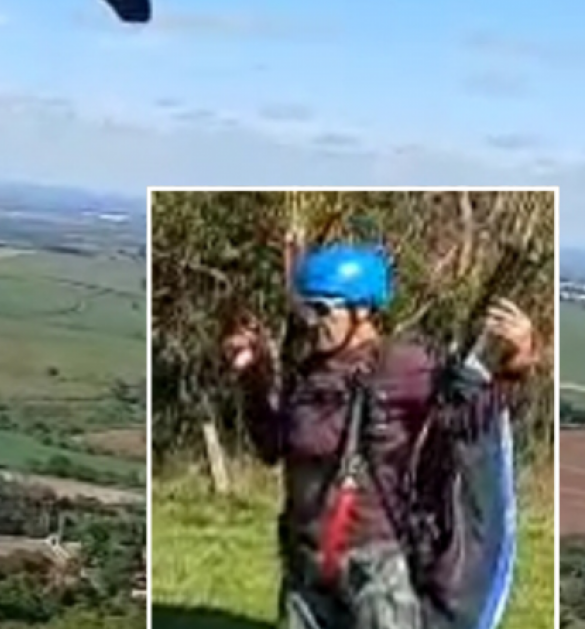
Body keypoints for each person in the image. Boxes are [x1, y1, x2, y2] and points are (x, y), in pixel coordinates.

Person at [223, 242, 536, 629]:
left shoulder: (404, 365)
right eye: (306, 308)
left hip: (375, 569)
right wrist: (254, 378)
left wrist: (517, 366)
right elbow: (272, 447)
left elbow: (465, 420)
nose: (311, 321)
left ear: (363, 310)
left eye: (323, 309)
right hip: (307, 568)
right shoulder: (309, 372)